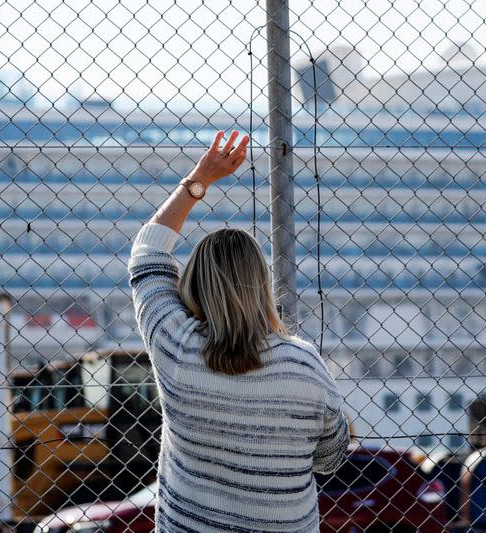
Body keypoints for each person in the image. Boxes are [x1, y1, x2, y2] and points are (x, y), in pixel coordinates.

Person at [128, 130, 350, 532]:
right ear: (261, 286)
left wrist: (200, 180)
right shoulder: (304, 363)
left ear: (192, 285)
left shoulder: (175, 347)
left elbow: (148, 252)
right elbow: (331, 460)